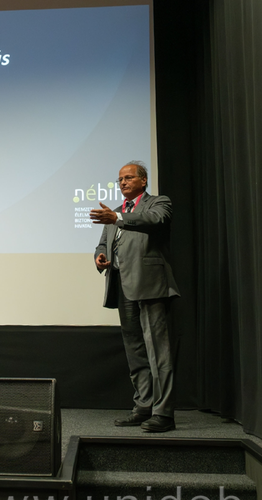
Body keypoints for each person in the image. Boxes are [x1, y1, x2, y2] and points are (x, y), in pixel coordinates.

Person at [90, 161, 180, 432]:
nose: (123, 182)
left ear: (143, 180)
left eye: (128, 178)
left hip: (150, 284)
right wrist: (100, 256)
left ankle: (163, 413)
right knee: (135, 351)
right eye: (120, 179)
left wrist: (118, 219)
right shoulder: (115, 213)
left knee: (157, 351)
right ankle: (143, 406)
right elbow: (103, 243)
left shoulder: (158, 203)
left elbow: (155, 221)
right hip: (123, 286)